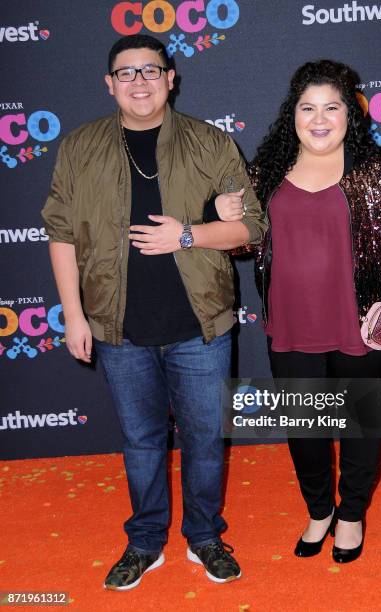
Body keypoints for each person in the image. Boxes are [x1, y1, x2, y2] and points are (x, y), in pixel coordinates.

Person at [41, 34, 265, 590]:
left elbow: (252, 226)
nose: (139, 81)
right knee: (141, 443)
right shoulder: (79, 147)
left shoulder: (210, 143)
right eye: (126, 73)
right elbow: (62, 233)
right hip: (119, 328)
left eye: (150, 70)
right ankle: (145, 542)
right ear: (109, 84)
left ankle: (206, 535)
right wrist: (73, 315)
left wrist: (187, 235)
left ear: (171, 78)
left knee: (205, 440)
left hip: (201, 325)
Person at [216, 59, 381, 563]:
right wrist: (223, 216)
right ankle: (319, 512)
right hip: (291, 326)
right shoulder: (265, 172)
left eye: (331, 107)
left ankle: (351, 514)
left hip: (361, 325)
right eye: (307, 107)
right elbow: (242, 244)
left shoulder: (378, 170)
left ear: (349, 114)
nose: (319, 118)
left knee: (360, 424)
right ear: (291, 114)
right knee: (306, 431)